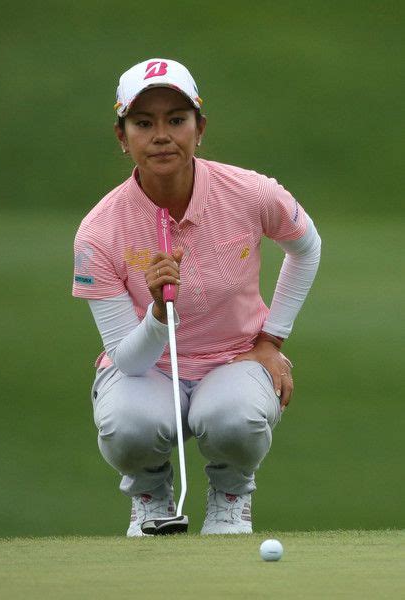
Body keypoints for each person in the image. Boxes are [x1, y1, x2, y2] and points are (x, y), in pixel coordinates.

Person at [72, 58, 321, 536]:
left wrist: (273, 339)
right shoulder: (98, 231)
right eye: (143, 123)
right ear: (123, 138)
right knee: (128, 425)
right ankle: (150, 495)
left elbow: (306, 248)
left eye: (176, 120)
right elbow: (128, 360)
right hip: (146, 368)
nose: (161, 135)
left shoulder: (250, 192)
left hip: (235, 358)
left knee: (234, 418)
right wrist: (158, 317)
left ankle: (230, 496)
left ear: (199, 128)